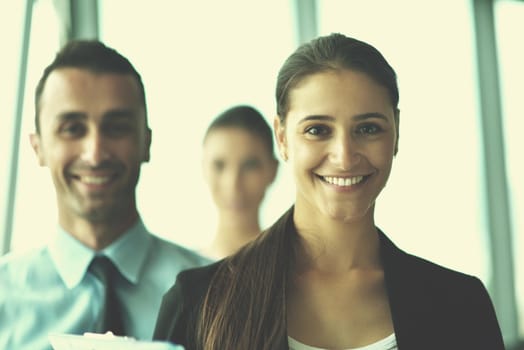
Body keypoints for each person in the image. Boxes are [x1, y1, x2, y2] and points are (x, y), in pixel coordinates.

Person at [153, 33, 504, 349]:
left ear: (396, 131)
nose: (345, 156)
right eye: (318, 130)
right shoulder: (198, 303)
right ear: (282, 138)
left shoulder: (460, 305)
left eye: (367, 128)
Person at [0, 40, 210, 350]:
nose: (95, 153)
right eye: (72, 128)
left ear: (146, 143)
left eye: (117, 127)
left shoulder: (216, 292)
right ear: (38, 147)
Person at [200, 105, 278, 259]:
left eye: (249, 166)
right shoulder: (183, 273)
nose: (233, 185)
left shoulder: (296, 269)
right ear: (204, 168)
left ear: (273, 170)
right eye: (219, 166)